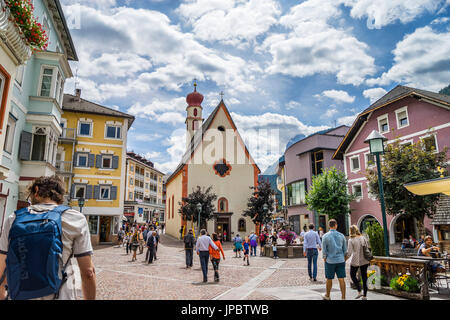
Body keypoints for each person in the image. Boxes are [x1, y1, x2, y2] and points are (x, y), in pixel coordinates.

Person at [0, 175, 96, 300]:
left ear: (36, 191)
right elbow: (88, 272)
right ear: (60, 196)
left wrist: (2, 292)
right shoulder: (74, 218)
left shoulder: (14, 219)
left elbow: (2, 264)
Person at [321, 219, 348, 300]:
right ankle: (343, 297)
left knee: (329, 279)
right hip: (340, 260)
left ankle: (327, 295)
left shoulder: (325, 236)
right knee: (341, 279)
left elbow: (324, 250)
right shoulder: (342, 235)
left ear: (329, 226)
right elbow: (345, 250)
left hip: (330, 260)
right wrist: (344, 259)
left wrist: (325, 258)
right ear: (336, 225)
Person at [347, 225, 371, 300]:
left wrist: (345, 258)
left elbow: (349, 253)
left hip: (355, 260)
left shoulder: (351, 240)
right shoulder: (363, 237)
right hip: (364, 259)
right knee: (364, 277)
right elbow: (368, 247)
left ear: (350, 231)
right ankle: (365, 296)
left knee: (352, 275)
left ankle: (359, 290)